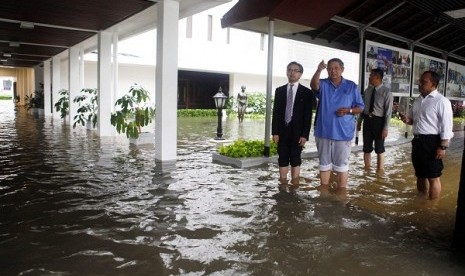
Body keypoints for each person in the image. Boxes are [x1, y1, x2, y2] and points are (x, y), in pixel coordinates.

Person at [310, 58, 364, 192]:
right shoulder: (323, 83)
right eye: (329, 68)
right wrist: (318, 70)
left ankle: (341, 194)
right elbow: (313, 86)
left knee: (342, 166)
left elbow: (360, 107)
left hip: (343, 132)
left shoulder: (351, 86)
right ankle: (324, 193)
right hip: (323, 131)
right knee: (324, 165)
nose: (333, 71)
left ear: (342, 69)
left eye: (336, 68)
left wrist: (348, 110)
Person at [400, 71, 453, 200]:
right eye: (420, 81)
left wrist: (443, 147)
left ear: (433, 84)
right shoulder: (418, 100)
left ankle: (433, 207)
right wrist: (408, 120)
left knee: (433, 176)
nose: (420, 84)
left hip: (432, 142)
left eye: (424, 82)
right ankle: (422, 201)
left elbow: (447, 126)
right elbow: (414, 120)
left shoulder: (441, 101)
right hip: (418, 141)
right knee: (420, 174)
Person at [272, 61, 314, 192]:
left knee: (296, 157)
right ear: (286, 72)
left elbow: (308, 116)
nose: (292, 72)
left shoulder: (306, 92)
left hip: (298, 132)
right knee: (282, 156)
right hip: (282, 130)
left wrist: (305, 135)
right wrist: (275, 132)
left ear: (300, 74)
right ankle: (283, 184)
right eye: (290, 69)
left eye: (296, 70)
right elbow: (276, 112)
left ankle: (295, 186)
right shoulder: (279, 91)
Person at [357, 68, 393, 171]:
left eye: (371, 76)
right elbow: (363, 108)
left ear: (377, 77)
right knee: (366, 148)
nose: (369, 77)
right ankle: (367, 170)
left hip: (379, 122)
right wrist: (359, 121)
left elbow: (388, 112)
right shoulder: (367, 91)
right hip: (367, 121)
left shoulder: (387, 92)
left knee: (379, 149)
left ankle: (379, 172)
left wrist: (385, 128)